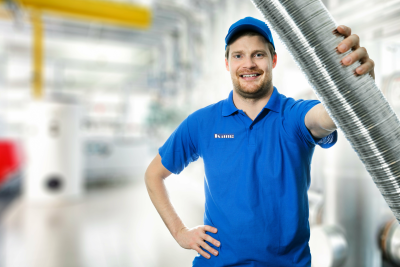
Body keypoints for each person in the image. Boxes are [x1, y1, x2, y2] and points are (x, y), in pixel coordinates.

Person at [145, 16, 375, 266]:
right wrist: (180, 232)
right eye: (238, 56)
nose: (248, 64)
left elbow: (328, 115)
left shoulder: (294, 116)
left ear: (273, 60)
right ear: (227, 63)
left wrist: (357, 86)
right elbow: (153, 174)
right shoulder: (202, 122)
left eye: (258, 54)